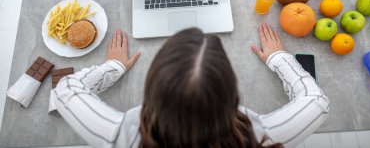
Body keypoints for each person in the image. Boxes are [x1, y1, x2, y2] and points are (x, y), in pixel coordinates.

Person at [53, 22, 329, 148]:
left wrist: (112, 67)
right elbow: (316, 101)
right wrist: (279, 58)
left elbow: (65, 89)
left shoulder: (117, 137)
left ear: (152, 87)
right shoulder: (263, 136)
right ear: (230, 93)